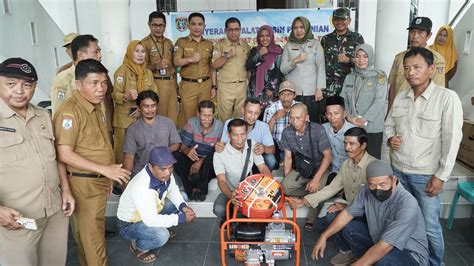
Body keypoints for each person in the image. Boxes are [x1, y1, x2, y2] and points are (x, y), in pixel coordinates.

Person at [385, 47, 463, 266]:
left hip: (426, 175)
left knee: (429, 226)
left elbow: (452, 139)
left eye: (417, 67)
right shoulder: (402, 96)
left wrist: (441, 176)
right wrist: (391, 138)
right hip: (399, 170)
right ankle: (413, 260)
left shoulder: (447, 98)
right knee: (405, 220)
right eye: (407, 68)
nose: (411, 72)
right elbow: (389, 124)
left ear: (431, 68)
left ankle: (435, 263)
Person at [54, 59, 131, 266]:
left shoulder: (96, 107)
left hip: (97, 181)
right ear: (79, 85)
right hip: (83, 184)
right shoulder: (70, 112)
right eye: (94, 83)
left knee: (89, 239)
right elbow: (64, 154)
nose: (101, 89)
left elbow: (100, 145)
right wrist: (105, 170)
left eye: (104, 83)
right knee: (94, 241)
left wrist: (106, 177)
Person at [0, 58, 74, 266]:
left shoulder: (43, 116)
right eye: (11, 84)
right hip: (16, 218)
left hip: (54, 211)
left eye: (27, 85)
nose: (20, 91)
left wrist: (66, 190)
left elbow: (56, 158)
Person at [312, 160, 429, 266]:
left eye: (382, 184)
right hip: (380, 240)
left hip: (408, 253)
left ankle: (367, 261)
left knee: (385, 262)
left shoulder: (407, 204)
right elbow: (347, 214)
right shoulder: (367, 191)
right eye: (373, 185)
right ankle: (366, 260)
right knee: (347, 226)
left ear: (393, 180)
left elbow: (386, 245)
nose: (377, 189)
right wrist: (324, 236)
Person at [288, 127, 375, 235]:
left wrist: (346, 207)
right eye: (345, 143)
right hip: (350, 209)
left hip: (367, 215)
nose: (347, 148)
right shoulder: (346, 164)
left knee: (335, 220)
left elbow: (374, 202)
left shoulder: (373, 166)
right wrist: (304, 201)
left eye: (352, 144)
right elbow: (332, 188)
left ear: (363, 146)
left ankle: (346, 249)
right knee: (319, 226)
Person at [117, 146, 195, 264]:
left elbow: (173, 190)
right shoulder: (143, 186)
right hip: (129, 225)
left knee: (182, 198)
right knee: (161, 235)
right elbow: (150, 220)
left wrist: (183, 207)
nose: (168, 172)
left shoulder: (165, 173)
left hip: (147, 213)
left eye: (170, 168)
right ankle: (139, 246)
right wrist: (181, 218)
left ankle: (158, 227)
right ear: (150, 166)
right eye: (163, 169)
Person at [51, 34, 114, 138]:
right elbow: (59, 113)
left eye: (99, 51)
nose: (100, 55)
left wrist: (109, 127)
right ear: (81, 55)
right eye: (96, 52)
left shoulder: (101, 74)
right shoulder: (63, 78)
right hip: (80, 137)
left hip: (101, 131)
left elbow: (107, 99)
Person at [280, 103, 332, 230]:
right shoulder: (287, 132)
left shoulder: (317, 129)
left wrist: (316, 179)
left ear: (307, 117)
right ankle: (309, 194)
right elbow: (287, 158)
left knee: (319, 189)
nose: (294, 121)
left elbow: (328, 156)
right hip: (302, 168)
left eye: (298, 118)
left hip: (320, 167)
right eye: (292, 118)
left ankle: (311, 218)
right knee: (284, 186)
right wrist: (288, 181)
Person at [213, 118, 271, 220]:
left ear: (247, 133)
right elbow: (221, 181)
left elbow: (262, 167)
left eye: (243, 134)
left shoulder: (252, 144)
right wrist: (231, 196)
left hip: (250, 191)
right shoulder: (219, 154)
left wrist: (270, 184)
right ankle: (229, 219)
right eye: (235, 135)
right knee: (219, 209)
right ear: (228, 135)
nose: (240, 139)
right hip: (230, 191)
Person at [112, 40, 158, 164]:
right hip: (125, 119)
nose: (140, 54)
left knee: (142, 148)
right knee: (123, 151)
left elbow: (154, 94)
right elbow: (115, 95)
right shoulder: (122, 70)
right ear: (130, 53)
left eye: (143, 51)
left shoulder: (147, 72)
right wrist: (126, 96)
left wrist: (142, 109)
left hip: (141, 117)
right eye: (136, 51)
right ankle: (122, 180)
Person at [387, 17, 445, 112]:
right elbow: (393, 87)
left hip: (421, 111)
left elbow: (438, 91)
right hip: (399, 110)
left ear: (429, 35)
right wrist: (389, 112)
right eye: (412, 32)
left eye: (420, 32)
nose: (415, 36)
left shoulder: (436, 60)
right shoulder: (399, 57)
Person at [341, 44, 387, 159]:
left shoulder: (379, 76)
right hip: (353, 124)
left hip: (372, 126)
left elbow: (379, 101)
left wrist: (364, 119)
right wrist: (349, 117)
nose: (361, 60)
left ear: (370, 58)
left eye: (365, 56)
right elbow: (344, 99)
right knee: (354, 159)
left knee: (372, 161)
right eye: (358, 56)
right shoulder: (349, 77)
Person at [123, 90, 181, 178]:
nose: (150, 110)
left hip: (164, 169)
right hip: (141, 171)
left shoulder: (168, 122)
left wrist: (162, 152)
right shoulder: (133, 129)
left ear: (157, 106)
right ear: (139, 108)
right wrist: (126, 181)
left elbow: (177, 144)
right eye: (146, 106)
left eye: (153, 106)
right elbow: (129, 157)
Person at [173, 100, 224, 201]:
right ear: (198, 114)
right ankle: (190, 190)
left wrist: (201, 161)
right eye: (203, 115)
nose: (206, 119)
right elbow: (183, 147)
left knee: (212, 158)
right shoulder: (192, 123)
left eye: (209, 115)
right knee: (175, 155)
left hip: (208, 164)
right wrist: (187, 151)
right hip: (192, 160)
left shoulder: (219, 126)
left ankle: (201, 190)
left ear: (214, 114)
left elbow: (218, 152)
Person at [280, 16, 326, 123]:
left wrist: (319, 88)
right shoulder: (288, 45)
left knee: (312, 122)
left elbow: (321, 67)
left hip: (312, 92)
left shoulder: (316, 44)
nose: (298, 30)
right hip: (294, 92)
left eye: (301, 27)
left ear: (307, 28)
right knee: (295, 121)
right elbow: (283, 69)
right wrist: (294, 61)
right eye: (295, 28)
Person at [174, 12, 214, 128]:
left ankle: (204, 142)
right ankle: (188, 143)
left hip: (206, 85)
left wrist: (213, 86)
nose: (197, 27)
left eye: (200, 24)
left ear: (204, 26)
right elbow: (176, 62)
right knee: (189, 117)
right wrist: (190, 59)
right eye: (193, 24)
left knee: (205, 115)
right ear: (188, 26)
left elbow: (212, 67)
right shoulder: (181, 42)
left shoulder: (209, 44)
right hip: (188, 85)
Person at [219, 98, 277, 171]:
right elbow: (223, 145)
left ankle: (261, 178)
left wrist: (264, 148)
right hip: (235, 157)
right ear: (243, 110)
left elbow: (272, 149)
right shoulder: (230, 123)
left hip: (255, 159)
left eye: (256, 113)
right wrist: (220, 146)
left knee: (271, 160)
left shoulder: (263, 126)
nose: (253, 116)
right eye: (250, 112)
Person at [142, 11, 179, 123]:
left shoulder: (169, 43)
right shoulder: (144, 43)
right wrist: (156, 66)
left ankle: (172, 140)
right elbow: (142, 68)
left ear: (165, 26)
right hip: (157, 83)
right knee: (159, 117)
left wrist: (176, 86)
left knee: (173, 117)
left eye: (161, 25)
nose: (158, 28)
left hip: (171, 83)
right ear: (149, 25)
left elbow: (174, 66)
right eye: (154, 25)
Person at [212, 17, 251, 121]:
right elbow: (214, 65)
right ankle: (224, 138)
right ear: (225, 31)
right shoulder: (219, 45)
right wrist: (226, 56)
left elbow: (249, 67)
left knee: (241, 118)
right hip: (226, 87)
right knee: (224, 119)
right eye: (230, 30)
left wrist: (250, 84)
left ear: (240, 30)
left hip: (242, 86)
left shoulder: (245, 46)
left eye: (236, 29)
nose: (234, 32)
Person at [321, 7, 365, 97]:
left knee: (347, 111)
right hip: (329, 88)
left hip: (349, 86)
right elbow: (320, 62)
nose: (340, 22)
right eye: (337, 19)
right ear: (333, 21)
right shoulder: (325, 39)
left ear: (349, 20)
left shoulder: (357, 38)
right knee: (330, 111)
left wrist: (349, 60)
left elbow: (363, 62)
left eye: (343, 19)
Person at [245, 24, 284, 111]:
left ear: (272, 36)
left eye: (267, 35)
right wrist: (259, 54)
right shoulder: (255, 50)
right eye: (262, 36)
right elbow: (248, 65)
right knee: (255, 116)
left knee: (273, 116)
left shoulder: (278, 51)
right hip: (256, 91)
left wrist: (271, 89)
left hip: (273, 92)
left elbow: (279, 72)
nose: (265, 38)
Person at [263, 80, 299, 164]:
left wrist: (294, 128)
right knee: (271, 161)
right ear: (278, 96)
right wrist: (274, 118)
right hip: (276, 147)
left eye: (289, 94)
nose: (286, 98)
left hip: (295, 147)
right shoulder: (271, 108)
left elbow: (307, 132)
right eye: (282, 94)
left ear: (294, 95)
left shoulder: (300, 107)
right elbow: (264, 135)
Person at [322, 96, 355, 179]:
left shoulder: (353, 131)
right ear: (326, 115)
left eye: (336, 113)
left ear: (344, 114)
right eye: (329, 114)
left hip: (350, 171)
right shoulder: (322, 129)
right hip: (331, 170)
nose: (332, 117)